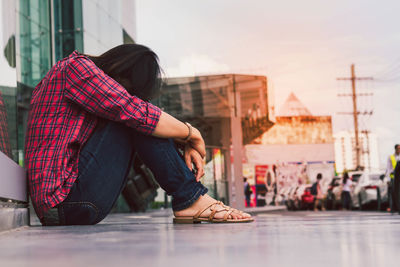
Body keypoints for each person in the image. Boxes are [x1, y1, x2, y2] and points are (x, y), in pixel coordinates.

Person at [25, 44, 253, 225]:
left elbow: (134, 110)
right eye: (127, 85)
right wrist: (192, 134)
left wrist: (182, 139)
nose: (122, 90)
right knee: (137, 116)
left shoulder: (71, 76)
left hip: (67, 203)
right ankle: (190, 198)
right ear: (120, 67)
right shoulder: (76, 68)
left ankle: (191, 198)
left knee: (139, 115)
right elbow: (134, 111)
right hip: (65, 202)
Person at [385, 144, 400, 212]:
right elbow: (388, 169)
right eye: (398, 148)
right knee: (394, 193)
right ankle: (395, 208)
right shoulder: (391, 157)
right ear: (395, 149)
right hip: (394, 178)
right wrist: (388, 179)